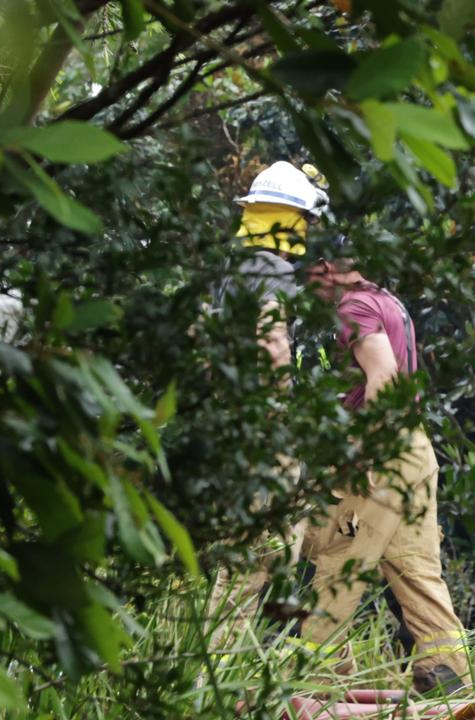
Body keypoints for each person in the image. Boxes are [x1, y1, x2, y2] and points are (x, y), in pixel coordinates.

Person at [299, 248, 469, 695]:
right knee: (415, 571)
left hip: (382, 453)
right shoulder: (385, 300)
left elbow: (385, 376)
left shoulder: (352, 306)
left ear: (325, 266)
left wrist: (369, 450)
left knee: (339, 562)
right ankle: (447, 678)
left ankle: (319, 683)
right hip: (412, 450)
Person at [206, 160, 328, 646]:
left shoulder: (231, 272)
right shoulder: (272, 270)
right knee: (259, 553)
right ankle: (221, 671)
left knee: (254, 553)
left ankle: (231, 663)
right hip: (263, 432)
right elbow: (272, 342)